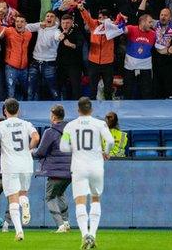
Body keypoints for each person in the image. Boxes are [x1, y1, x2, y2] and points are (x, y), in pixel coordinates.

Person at [60, 97, 114, 249]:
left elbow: (63, 147)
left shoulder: (70, 126)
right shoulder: (100, 124)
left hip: (78, 167)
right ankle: (93, 235)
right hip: (96, 166)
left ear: (78, 110)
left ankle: (85, 235)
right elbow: (110, 141)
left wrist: (76, 148)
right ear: (91, 110)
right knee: (96, 199)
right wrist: (106, 152)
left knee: (80, 201)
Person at [0, 98, 40, 241]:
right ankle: (25, 203)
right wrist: (29, 147)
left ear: (5, 111)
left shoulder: (0, 126)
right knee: (23, 193)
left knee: (12, 198)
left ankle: (19, 231)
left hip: (10, 166)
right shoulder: (26, 124)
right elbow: (36, 137)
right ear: (18, 110)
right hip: (26, 164)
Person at [31, 104, 71, 233]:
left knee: (50, 197)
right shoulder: (71, 130)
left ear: (53, 116)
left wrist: (31, 151)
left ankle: (60, 225)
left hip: (55, 171)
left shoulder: (50, 132)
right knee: (60, 193)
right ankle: (66, 222)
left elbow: (41, 152)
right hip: (70, 171)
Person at [79, 5, 115, 100]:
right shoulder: (94, 25)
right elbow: (87, 18)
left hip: (108, 63)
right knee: (92, 90)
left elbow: (120, 25)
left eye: (104, 17)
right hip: (93, 62)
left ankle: (109, 112)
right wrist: (82, 10)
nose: (102, 19)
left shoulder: (112, 27)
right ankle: (91, 112)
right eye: (100, 17)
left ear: (109, 18)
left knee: (108, 90)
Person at [0, 13, 33, 100]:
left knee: (26, 90)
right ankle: (9, 111)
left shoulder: (29, 34)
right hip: (11, 67)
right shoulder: (9, 31)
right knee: (10, 92)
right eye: (17, 22)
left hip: (24, 68)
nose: (19, 24)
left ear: (25, 24)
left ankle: (26, 109)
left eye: (21, 22)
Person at [26, 11, 62, 101]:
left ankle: (59, 111)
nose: (49, 18)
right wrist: (39, 24)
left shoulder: (56, 30)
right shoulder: (40, 27)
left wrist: (60, 37)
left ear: (56, 19)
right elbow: (26, 27)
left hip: (49, 63)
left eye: (52, 16)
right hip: (35, 62)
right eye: (47, 16)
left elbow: (58, 36)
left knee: (53, 89)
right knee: (31, 90)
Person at [121, 14, 156, 99]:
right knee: (127, 91)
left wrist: (168, 50)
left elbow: (159, 48)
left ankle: (146, 111)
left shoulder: (153, 34)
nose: (152, 24)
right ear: (142, 22)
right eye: (149, 22)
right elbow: (122, 30)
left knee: (146, 92)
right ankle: (126, 111)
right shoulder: (131, 28)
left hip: (145, 66)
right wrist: (122, 21)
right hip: (130, 65)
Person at [56, 14, 83, 100]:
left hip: (74, 64)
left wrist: (71, 45)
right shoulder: (58, 31)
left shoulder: (77, 31)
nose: (65, 25)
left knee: (76, 87)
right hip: (61, 64)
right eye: (63, 23)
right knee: (61, 87)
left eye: (67, 23)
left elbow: (80, 45)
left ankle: (77, 108)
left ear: (72, 23)